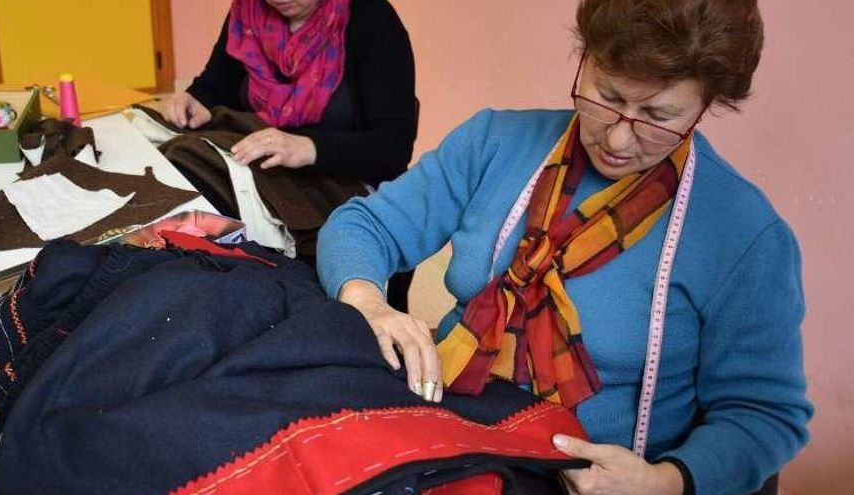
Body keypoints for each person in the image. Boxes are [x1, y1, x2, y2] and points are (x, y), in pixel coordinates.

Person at [316, 1, 812, 494]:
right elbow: (363, 225)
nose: (618, 137)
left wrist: (665, 481)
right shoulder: (493, 142)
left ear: (705, 105)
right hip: (455, 428)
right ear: (585, 57)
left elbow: (764, 414)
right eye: (606, 96)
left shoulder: (743, 234)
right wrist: (369, 301)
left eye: (658, 116)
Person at [160, 0, 417, 309]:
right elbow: (215, 87)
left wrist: (307, 148)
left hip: (350, 185)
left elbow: (393, 147)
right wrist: (195, 100)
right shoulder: (248, 13)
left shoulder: (370, 19)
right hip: (268, 176)